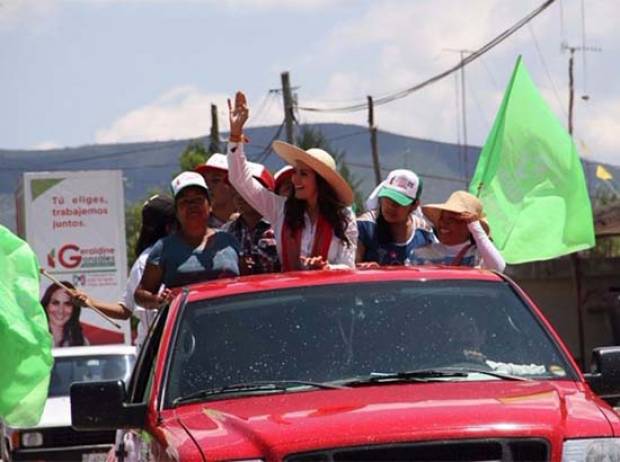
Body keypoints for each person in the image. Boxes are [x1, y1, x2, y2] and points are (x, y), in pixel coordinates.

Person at [227, 91, 357, 270]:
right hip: (291, 296)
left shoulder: (344, 217)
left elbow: (348, 265)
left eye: (303, 174)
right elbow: (239, 179)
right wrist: (235, 135)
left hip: (330, 295)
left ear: (321, 182)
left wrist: (327, 269)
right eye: (295, 172)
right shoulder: (281, 209)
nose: (295, 179)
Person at [74, 194, 177, 347]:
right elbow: (127, 309)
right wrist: (90, 302)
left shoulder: (182, 253)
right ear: (170, 227)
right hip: (159, 352)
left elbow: (125, 311)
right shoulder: (146, 262)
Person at [134, 171, 240, 309]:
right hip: (186, 328)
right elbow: (140, 294)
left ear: (210, 205)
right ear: (176, 211)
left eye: (198, 199)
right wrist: (158, 300)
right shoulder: (163, 248)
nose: (192, 205)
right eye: (185, 201)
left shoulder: (229, 241)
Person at [410, 191, 506, 271]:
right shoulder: (420, 253)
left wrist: (475, 227)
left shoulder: (478, 255)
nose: (444, 223)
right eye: (442, 218)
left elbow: (498, 267)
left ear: (469, 227)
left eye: (452, 219)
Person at [356, 169, 434, 266]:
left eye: (398, 203)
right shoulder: (364, 227)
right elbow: (350, 267)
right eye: (387, 199)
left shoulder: (424, 234)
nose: (390, 206)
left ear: (414, 205)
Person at [223, 161, 280, 275]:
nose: (239, 195)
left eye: (247, 188)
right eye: (236, 188)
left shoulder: (281, 227)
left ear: (266, 193)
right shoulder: (227, 232)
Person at [195, 153, 238, 228]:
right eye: (204, 181)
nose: (207, 187)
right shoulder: (196, 226)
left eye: (215, 180)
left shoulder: (251, 221)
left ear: (233, 185)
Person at [41, 282, 88, 347]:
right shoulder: (34, 337)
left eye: (67, 304)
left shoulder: (82, 341)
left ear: (74, 308)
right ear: (46, 306)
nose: (61, 310)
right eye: (55, 303)